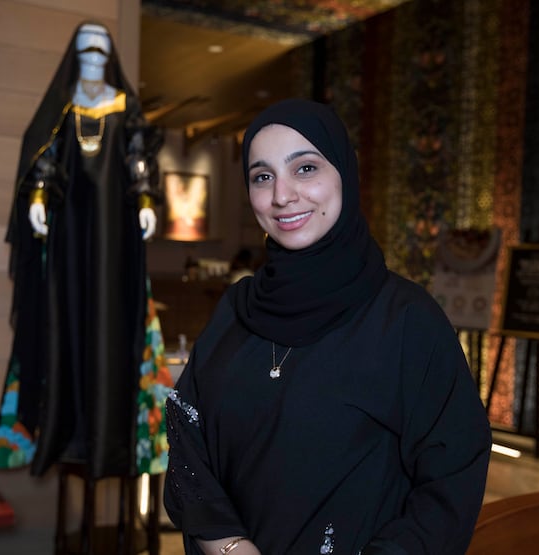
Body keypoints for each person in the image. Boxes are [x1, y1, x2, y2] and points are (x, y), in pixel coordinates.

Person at [163, 99, 491, 554]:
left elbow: (454, 475)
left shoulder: (408, 320)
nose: (282, 195)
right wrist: (230, 546)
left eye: (305, 169)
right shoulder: (235, 309)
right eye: (262, 176)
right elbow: (186, 436)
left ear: (345, 174)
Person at [0, 22, 165, 478]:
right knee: (64, 320)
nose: (92, 61)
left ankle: (111, 438)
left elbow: (138, 157)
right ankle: (64, 434)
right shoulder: (63, 108)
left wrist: (145, 200)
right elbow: (44, 160)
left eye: (99, 53)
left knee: (112, 321)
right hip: (68, 237)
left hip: (116, 238)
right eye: (85, 54)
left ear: (108, 59)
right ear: (75, 58)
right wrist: (36, 198)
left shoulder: (125, 107)